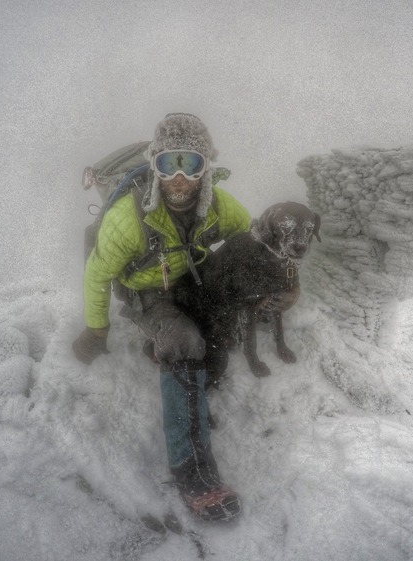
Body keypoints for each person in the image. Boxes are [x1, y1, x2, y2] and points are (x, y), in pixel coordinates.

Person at [72, 113, 251, 521]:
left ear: (206, 168)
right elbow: (97, 274)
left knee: (221, 327)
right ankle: (194, 474)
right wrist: (96, 330)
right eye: (169, 163)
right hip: (147, 292)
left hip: (192, 279)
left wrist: (274, 284)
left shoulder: (218, 206)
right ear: (155, 165)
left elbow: (250, 239)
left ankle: (191, 375)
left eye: (192, 163)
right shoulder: (128, 219)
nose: (180, 178)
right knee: (185, 343)